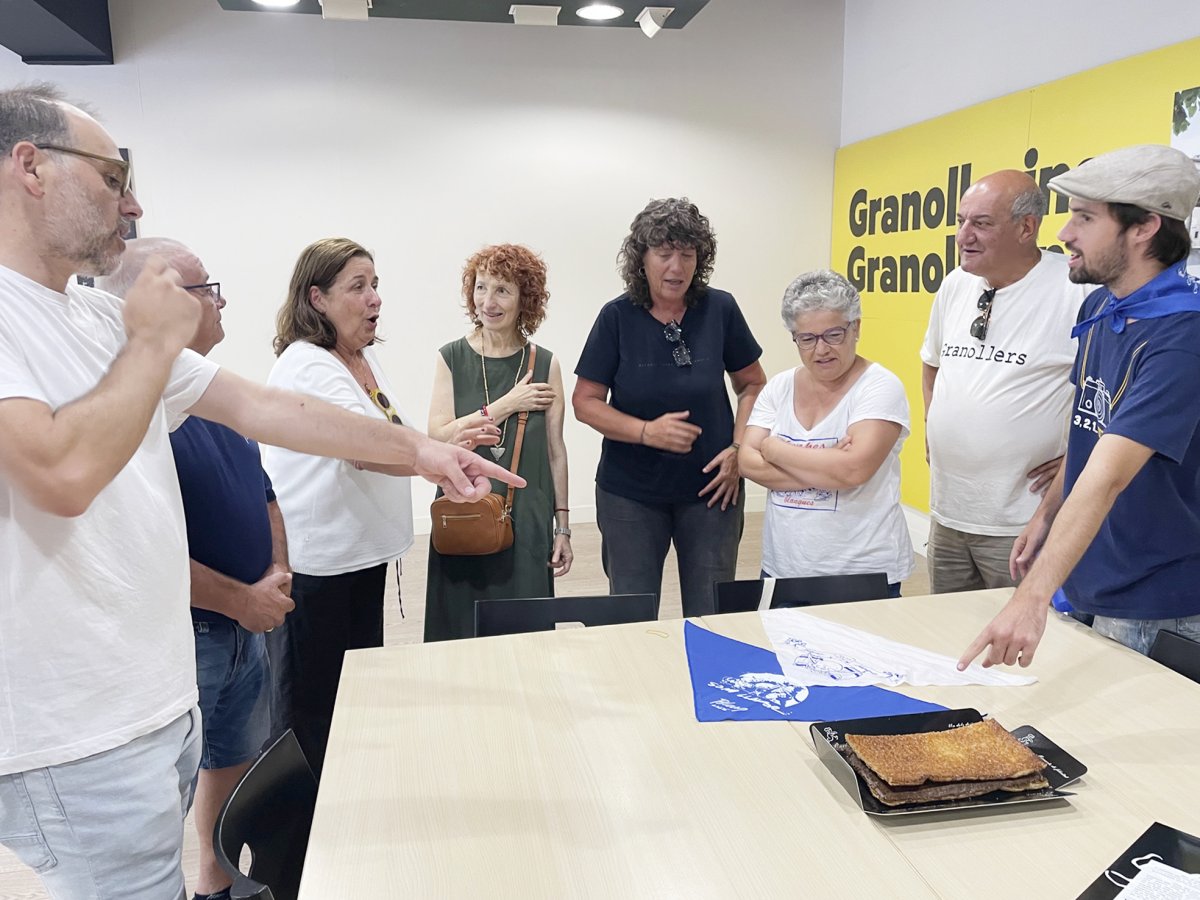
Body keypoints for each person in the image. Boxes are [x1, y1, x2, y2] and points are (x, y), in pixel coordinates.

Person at [0, 84, 519, 900]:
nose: (131, 204)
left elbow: (262, 408)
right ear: (31, 167)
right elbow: (61, 476)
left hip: (153, 698)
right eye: (112, 177)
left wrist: (422, 450)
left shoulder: (90, 321)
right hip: (78, 730)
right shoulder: (34, 320)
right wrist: (151, 344)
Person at [97, 237, 293, 900]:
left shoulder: (210, 394)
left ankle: (216, 885)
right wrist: (240, 600)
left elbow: (265, 495)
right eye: (206, 288)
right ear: (158, 301)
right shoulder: (135, 408)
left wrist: (277, 573)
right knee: (165, 797)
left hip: (244, 630)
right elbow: (141, 545)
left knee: (233, 770)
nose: (221, 300)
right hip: (192, 634)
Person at [959, 144, 1200, 670]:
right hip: (1090, 572)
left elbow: (1109, 474)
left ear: (1144, 227)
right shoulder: (1100, 306)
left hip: (1156, 599)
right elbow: (1091, 427)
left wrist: (1030, 598)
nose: (1065, 233)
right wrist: (1046, 515)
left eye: (1085, 218)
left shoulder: (1184, 335)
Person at [261, 237, 415, 778]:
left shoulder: (360, 359)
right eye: (358, 287)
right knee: (310, 712)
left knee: (356, 694)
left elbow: (393, 433)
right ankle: (301, 820)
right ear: (317, 298)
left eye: (375, 285)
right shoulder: (308, 365)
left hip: (360, 557)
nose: (374, 298)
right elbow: (367, 450)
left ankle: (350, 795)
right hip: (318, 568)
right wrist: (440, 457)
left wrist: (447, 440)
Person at [573, 198, 766, 617]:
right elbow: (585, 403)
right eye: (664, 254)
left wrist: (739, 451)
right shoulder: (616, 317)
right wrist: (646, 432)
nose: (676, 267)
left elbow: (752, 383)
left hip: (714, 490)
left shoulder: (720, 309)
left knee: (712, 612)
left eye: (687, 255)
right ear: (641, 259)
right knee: (631, 614)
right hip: (630, 494)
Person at [921, 170, 1090, 593]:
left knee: (1021, 630)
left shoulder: (1075, 291)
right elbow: (931, 364)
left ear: (1026, 228)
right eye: (960, 221)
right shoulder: (955, 284)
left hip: (1023, 522)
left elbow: (1107, 397)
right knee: (945, 627)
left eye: (981, 223)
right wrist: (932, 425)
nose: (964, 236)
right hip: (948, 513)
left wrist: (1078, 460)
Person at [425, 243, 572, 641]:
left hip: (528, 516)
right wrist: (507, 404)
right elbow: (438, 435)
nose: (488, 302)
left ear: (526, 299)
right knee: (460, 628)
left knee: (526, 633)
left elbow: (556, 452)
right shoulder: (451, 357)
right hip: (464, 508)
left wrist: (563, 528)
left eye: (502, 290)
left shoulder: (546, 364)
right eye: (481, 287)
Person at [739, 270, 913, 593]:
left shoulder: (879, 387)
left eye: (833, 335)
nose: (821, 350)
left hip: (861, 573)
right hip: (782, 569)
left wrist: (776, 450)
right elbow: (747, 462)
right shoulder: (780, 387)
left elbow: (853, 470)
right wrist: (828, 466)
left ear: (856, 328)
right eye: (807, 339)